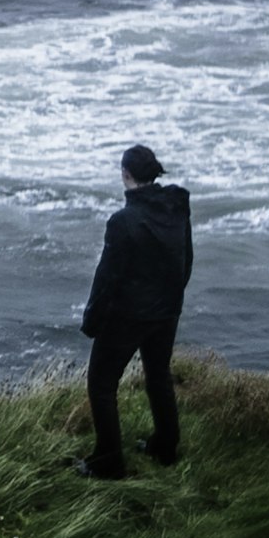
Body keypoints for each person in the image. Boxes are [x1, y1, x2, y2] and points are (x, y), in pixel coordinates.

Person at [78, 144, 193, 478]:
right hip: (166, 311)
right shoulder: (177, 207)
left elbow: (107, 278)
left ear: (125, 174)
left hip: (128, 317)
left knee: (101, 385)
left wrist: (92, 320)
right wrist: (172, 300)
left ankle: (108, 463)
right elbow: (186, 260)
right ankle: (165, 446)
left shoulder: (123, 221)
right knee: (158, 376)